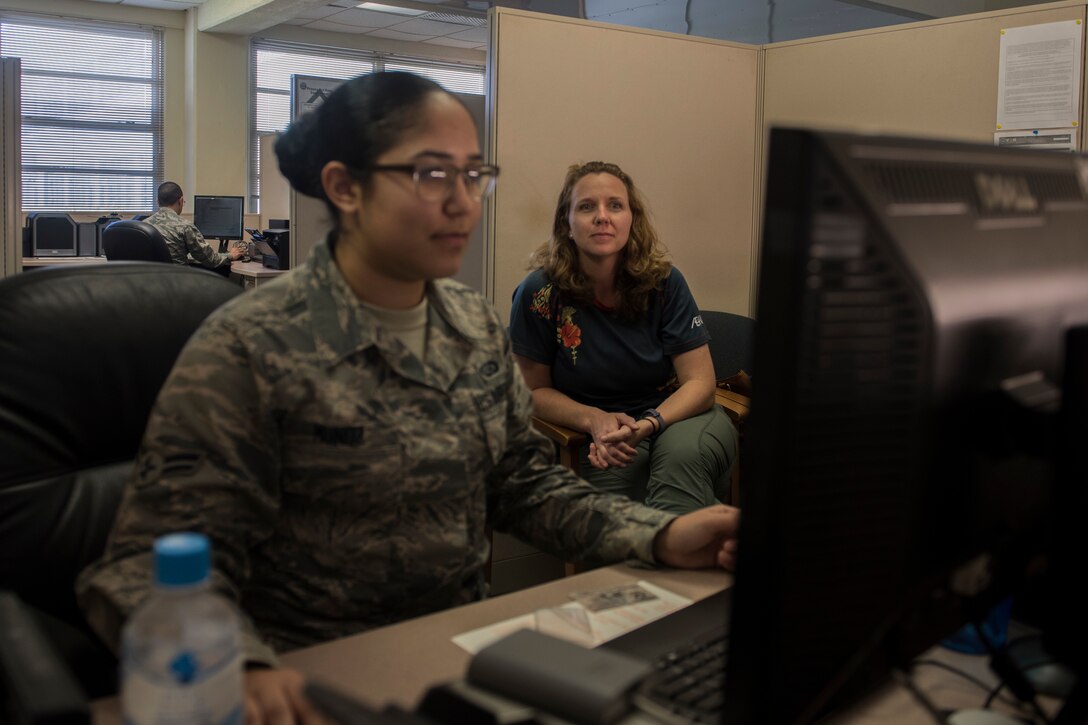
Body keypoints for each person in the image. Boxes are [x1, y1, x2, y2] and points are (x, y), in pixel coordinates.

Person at [76, 72, 740, 723]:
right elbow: (145, 566)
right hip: (308, 675)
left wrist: (664, 532)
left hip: (452, 655)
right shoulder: (251, 345)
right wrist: (242, 667)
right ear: (345, 187)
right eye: (431, 175)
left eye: (473, 176)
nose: (463, 202)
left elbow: (526, 486)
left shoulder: (471, 327)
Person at [509, 161, 738, 515]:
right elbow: (532, 392)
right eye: (587, 207)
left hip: (678, 415)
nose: (602, 216)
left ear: (632, 220)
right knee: (614, 514)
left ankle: (679, 564)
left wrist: (649, 424)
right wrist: (593, 420)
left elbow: (700, 382)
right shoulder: (538, 293)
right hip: (596, 433)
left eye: (615, 205)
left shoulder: (664, 282)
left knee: (682, 463)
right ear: (566, 224)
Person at [145, 181, 244, 271]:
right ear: (181, 200)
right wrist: (230, 255)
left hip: (150, 284)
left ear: (157, 201)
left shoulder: (144, 225)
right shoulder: (184, 226)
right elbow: (210, 260)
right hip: (179, 282)